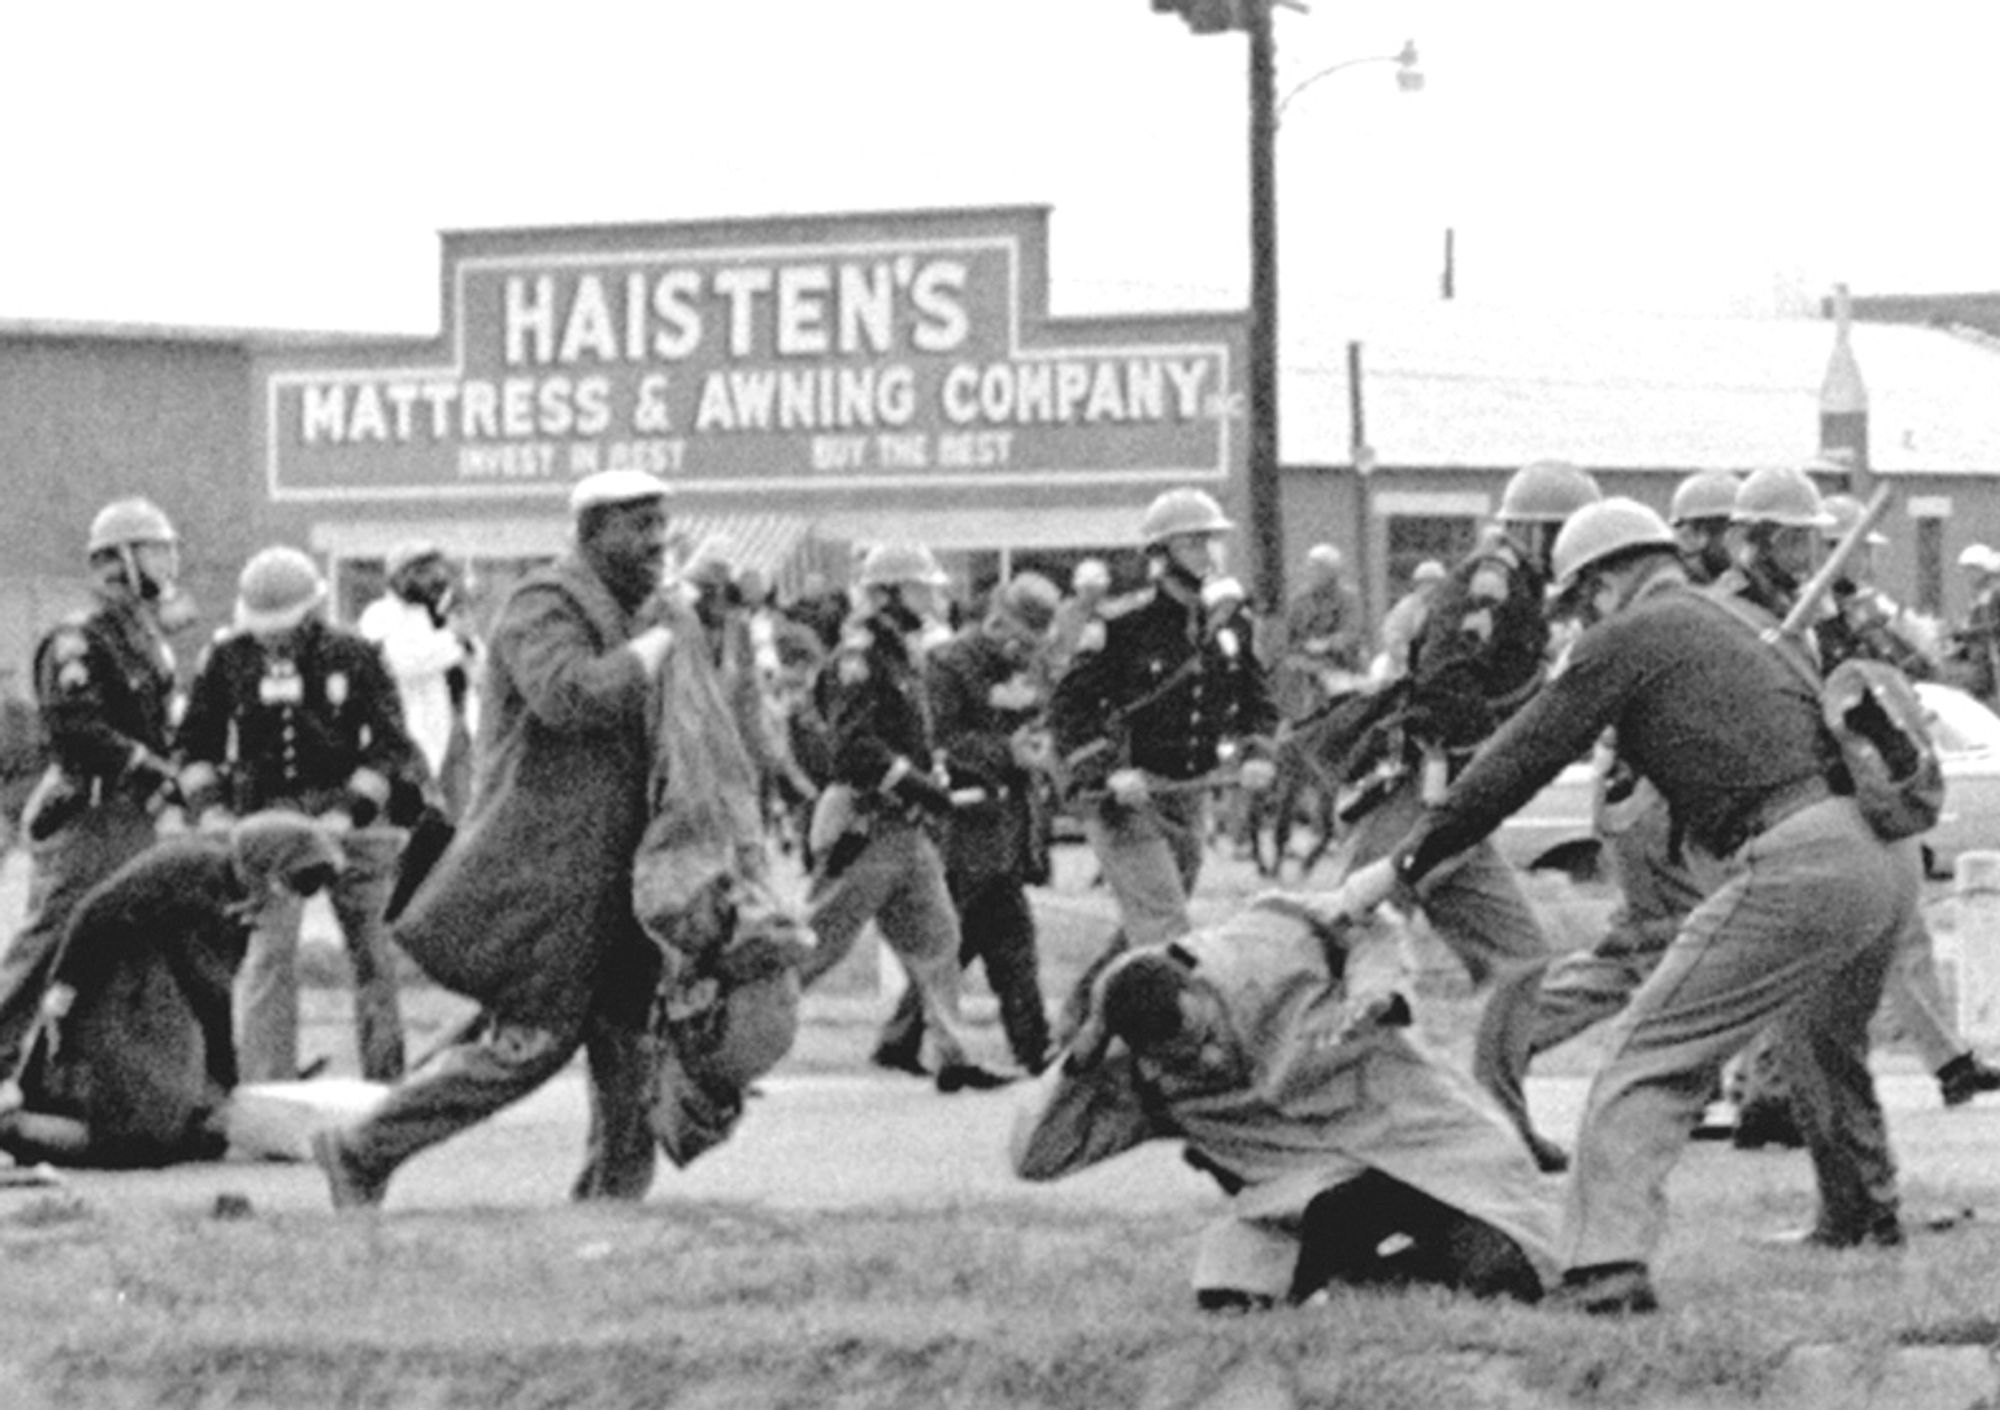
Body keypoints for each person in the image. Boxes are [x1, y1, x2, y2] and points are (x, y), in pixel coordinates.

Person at [1334, 496, 1921, 1315]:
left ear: (1611, 578)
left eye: (1581, 600)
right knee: (1824, 1042)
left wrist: (1399, 867)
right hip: (1884, 856)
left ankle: (1603, 1269)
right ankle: (1862, 1216)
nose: (1578, 618)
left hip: (1798, 854)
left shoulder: (1632, 635)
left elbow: (1517, 762)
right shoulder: (1733, 620)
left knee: (1646, 1056)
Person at [312, 469, 683, 1209]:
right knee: (529, 1046)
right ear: (591, 531)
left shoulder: (628, 610)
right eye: (638, 524)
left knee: (629, 1044)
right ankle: (360, 1148)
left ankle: (612, 1206)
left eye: (660, 523)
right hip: (550, 873)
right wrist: (657, 648)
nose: (656, 540)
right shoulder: (542, 606)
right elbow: (569, 696)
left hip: (615, 875)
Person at [1012, 896, 1558, 1312]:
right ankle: (1362, 1281)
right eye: (1184, 1057)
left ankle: (1400, 1273)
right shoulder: (1137, 1076)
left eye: (1205, 1033)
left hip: (1412, 1137)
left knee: (1510, 1272)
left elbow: (1370, 917)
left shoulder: (1267, 939)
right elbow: (1038, 1158)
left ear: (1198, 984)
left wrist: (1374, 990)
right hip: (1308, 1195)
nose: (1207, 1057)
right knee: (1233, 1301)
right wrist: (1077, 1062)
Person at [1321, 459, 1602, 1173]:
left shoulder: (1530, 591)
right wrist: (1503, 756)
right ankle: (1313, 1116)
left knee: (1522, 958)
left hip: (1461, 803)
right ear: (1538, 532)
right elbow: (1449, 679)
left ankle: (1498, 1123)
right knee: (1351, 956)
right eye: (1566, 535)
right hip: (1420, 791)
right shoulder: (1493, 580)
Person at [177, 547, 426, 1086]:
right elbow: (194, 746)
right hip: (266, 818)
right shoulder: (227, 659)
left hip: (347, 815)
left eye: (283, 627)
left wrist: (348, 811)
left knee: (373, 950)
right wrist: (212, 812)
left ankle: (387, 1081)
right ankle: (270, 1082)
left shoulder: (355, 655)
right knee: (269, 954)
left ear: (312, 613)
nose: (271, 639)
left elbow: (390, 746)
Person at [1046, 489, 1278, 1030]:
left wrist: (1257, 751)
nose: (1207, 552)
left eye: (1211, 540)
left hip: (1186, 795)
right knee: (1166, 926)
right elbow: (1069, 708)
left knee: (1140, 931)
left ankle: (1079, 1026)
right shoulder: (1122, 623)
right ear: (1162, 551)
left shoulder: (1229, 622)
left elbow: (1257, 701)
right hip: (1126, 801)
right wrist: (1106, 770)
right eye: (1192, 541)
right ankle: (1176, 1050)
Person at [0, 811, 345, 1169]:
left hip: (159, 1008)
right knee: (137, 1140)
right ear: (266, 861)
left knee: (192, 1137)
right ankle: (12, 1127)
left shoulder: (239, 896)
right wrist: (64, 995)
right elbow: (94, 912)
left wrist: (227, 1081)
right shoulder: (191, 864)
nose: (289, 898)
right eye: (293, 883)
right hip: (118, 997)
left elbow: (214, 994)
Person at [793, 542, 1013, 1093]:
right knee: (816, 944)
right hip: (867, 826)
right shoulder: (862, 655)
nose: (932, 595)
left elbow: (905, 735)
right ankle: (724, 1045)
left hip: (904, 827)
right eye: (920, 586)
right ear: (891, 592)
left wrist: (929, 778)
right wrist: (917, 784)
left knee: (940, 939)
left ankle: (953, 1057)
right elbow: (854, 751)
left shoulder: (899, 652)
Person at [0, 497, 192, 1080]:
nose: (169, 562)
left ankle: (121, 1076)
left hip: (136, 817)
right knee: (51, 942)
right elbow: (76, 727)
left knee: (139, 946)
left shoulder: (142, 635)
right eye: (156, 550)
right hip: (89, 815)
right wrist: (150, 767)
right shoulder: (78, 640)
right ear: (122, 559)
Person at [872, 571, 1063, 1077]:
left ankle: (907, 1036)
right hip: (963, 820)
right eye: (1019, 639)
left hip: (1009, 822)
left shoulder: (1025, 670)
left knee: (986, 938)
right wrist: (1006, 753)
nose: (1024, 651)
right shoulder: (949, 665)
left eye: (1032, 643)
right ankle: (1031, 1043)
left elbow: (1038, 720)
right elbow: (939, 739)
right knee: (981, 936)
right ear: (996, 621)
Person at [356, 541, 477, 821]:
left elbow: (475, 665)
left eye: (436, 570)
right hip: (411, 734)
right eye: (422, 571)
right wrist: (453, 638)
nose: (434, 579)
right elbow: (402, 662)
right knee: (418, 814)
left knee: (462, 817)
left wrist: (467, 641)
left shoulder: (442, 614)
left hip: (457, 730)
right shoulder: (381, 615)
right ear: (400, 577)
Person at [1283, 542, 1366, 682]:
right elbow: (1288, 636)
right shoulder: (1299, 600)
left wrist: (1327, 644)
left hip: (1340, 663)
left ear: (1332, 572)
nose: (1310, 572)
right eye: (1309, 567)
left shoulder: (1348, 599)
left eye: (1317, 568)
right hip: (1302, 661)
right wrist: (1301, 647)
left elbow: (1352, 632)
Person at [1371, 558, 1446, 682]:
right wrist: (1413, 658)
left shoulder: (1446, 608)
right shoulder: (1405, 608)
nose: (1432, 588)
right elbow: (1393, 638)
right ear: (1417, 585)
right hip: (1405, 666)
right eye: (1426, 582)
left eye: (1436, 583)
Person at [1948, 544, 2000, 706]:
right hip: (1978, 657)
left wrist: (1968, 632)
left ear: (1984, 569)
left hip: (1991, 662)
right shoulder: (1980, 596)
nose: (1968, 576)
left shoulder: (1995, 593)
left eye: (1972, 570)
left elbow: (1994, 625)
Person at [1047, 557, 1112, 677]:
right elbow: (1051, 647)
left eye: (1095, 589)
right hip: (1071, 676)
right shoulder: (1065, 612)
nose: (1091, 594)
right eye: (1088, 589)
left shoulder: (1110, 612)